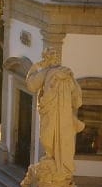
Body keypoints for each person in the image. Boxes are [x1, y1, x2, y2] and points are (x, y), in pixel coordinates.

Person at [25, 48, 84, 177]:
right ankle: (57, 162)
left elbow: (31, 84)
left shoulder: (50, 72)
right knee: (50, 138)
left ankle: (58, 163)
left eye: (52, 55)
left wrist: (36, 66)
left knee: (47, 138)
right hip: (59, 115)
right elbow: (77, 100)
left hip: (56, 114)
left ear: (46, 59)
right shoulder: (67, 74)